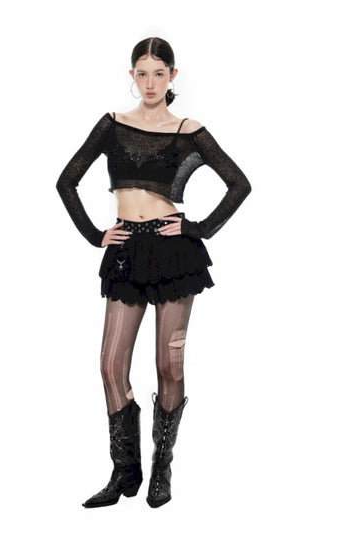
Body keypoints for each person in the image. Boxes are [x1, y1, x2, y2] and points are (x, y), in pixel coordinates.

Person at [55, 37, 252, 509]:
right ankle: (125, 471)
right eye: (141, 73)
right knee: (110, 364)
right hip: (125, 249)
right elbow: (66, 181)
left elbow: (239, 184)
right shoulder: (112, 125)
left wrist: (197, 227)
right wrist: (95, 234)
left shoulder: (188, 130)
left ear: (172, 76)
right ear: (132, 76)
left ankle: (162, 468)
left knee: (169, 365)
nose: (149, 83)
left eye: (158, 73)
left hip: (173, 252)